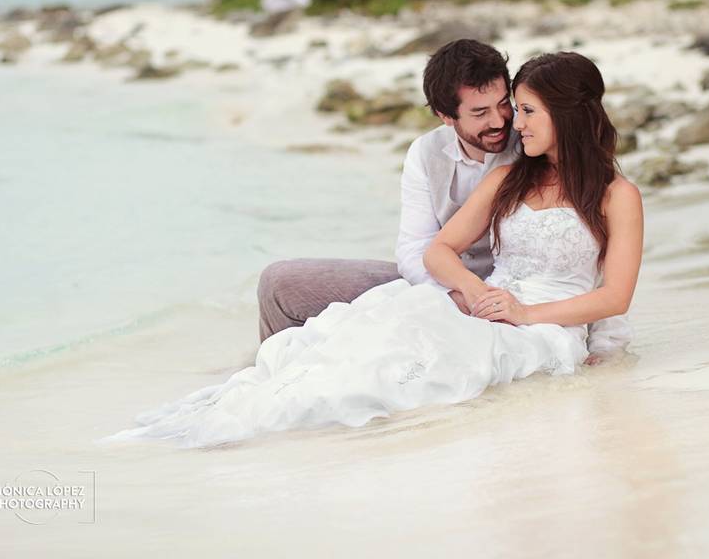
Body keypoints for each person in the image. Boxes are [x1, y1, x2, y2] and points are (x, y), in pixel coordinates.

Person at [103, 51, 643, 448]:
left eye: (520, 109)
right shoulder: (502, 177)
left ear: (564, 116)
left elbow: (615, 294)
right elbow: (430, 251)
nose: (508, 123)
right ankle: (253, 408)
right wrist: (473, 295)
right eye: (495, 111)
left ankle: (296, 435)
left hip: (539, 318)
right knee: (358, 335)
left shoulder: (617, 195)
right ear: (446, 116)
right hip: (471, 298)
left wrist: (529, 316)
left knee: (405, 375)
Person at [258, 38, 631, 358]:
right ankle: (276, 382)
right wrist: (461, 296)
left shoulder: (535, 144)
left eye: (507, 104)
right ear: (445, 116)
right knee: (282, 285)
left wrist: (604, 344)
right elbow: (418, 249)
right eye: (480, 113)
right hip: (451, 285)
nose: (504, 121)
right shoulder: (426, 154)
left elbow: (592, 254)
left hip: (526, 307)